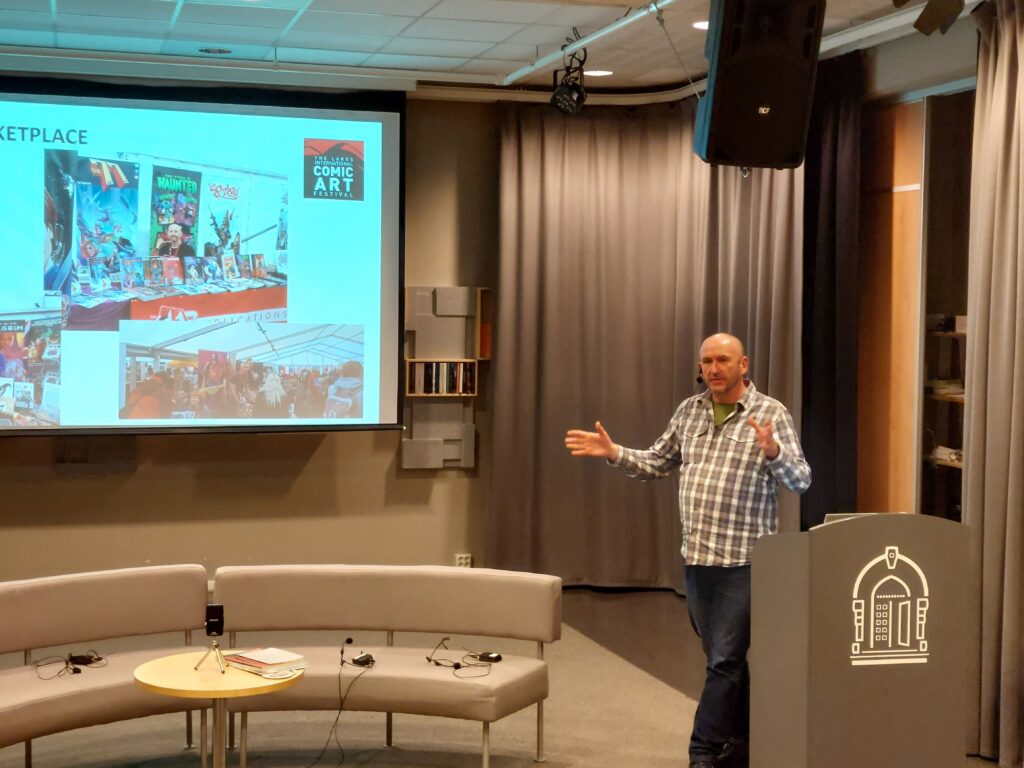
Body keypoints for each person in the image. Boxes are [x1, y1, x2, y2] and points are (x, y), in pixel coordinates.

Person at [564, 333, 811, 768]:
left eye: (723, 360)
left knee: (724, 660)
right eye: (707, 362)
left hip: (745, 562)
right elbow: (657, 462)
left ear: (743, 365)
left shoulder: (771, 413)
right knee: (723, 661)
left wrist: (773, 452)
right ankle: (746, 740)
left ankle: (703, 751)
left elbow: (801, 480)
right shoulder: (689, 411)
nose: (713, 369)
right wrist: (614, 452)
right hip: (698, 559)